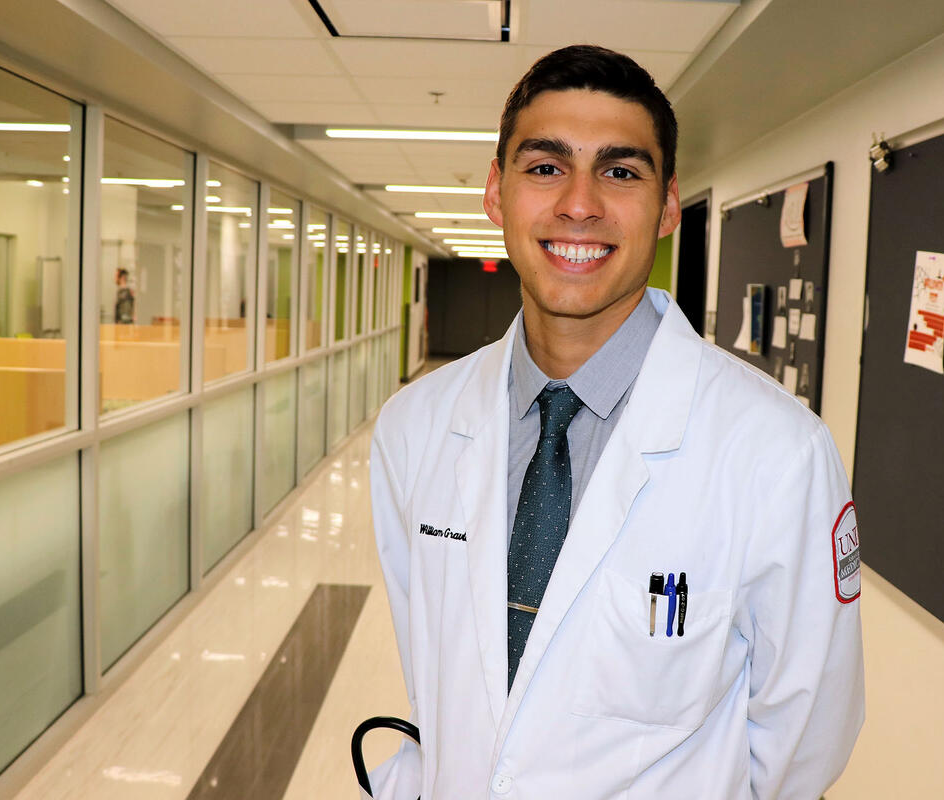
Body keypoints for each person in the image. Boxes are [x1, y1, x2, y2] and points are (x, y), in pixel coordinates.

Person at [368, 45, 864, 799]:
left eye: (620, 171)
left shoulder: (779, 453)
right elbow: (437, 673)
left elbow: (803, 742)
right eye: (545, 167)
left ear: (667, 206)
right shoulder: (416, 427)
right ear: (496, 194)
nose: (579, 203)